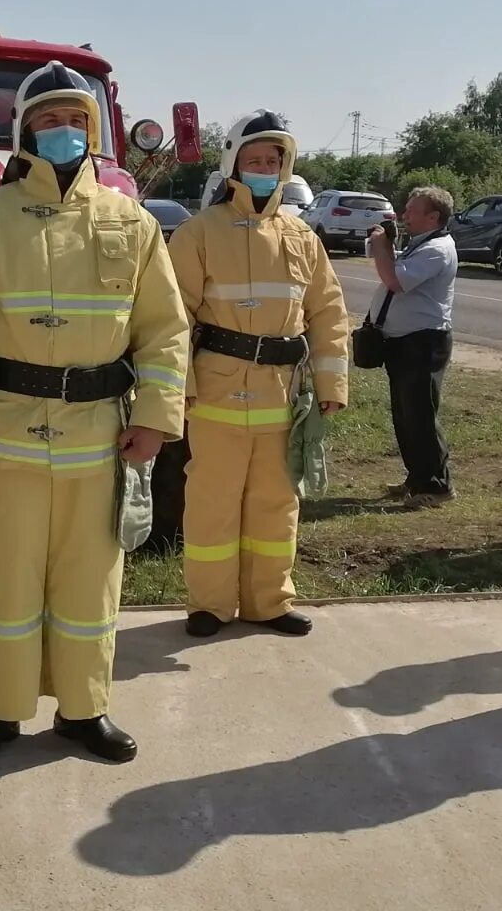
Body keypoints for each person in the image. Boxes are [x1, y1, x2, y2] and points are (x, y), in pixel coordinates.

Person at [0, 61, 189, 767]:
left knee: (88, 586)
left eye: (76, 120)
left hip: (99, 436)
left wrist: (157, 416)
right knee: (3, 581)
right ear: (23, 134)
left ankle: (83, 710)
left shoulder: (130, 222)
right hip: (3, 435)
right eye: (49, 120)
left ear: (93, 131)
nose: (64, 131)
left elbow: (164, 327)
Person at [167, 111, 348, 639]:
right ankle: (209, 604)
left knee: (276, 505)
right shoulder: (198, 233)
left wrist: (332, 387)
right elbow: (172, 316)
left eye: (274, 160)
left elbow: (329, 313)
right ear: (233, 165)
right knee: (212, 504)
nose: (265, 168)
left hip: (280, 399)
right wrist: (179, 390)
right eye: (255, 160)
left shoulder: (301, 236)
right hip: (216, 395)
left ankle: (269, 601)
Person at [366, 187, 459, 507]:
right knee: (405, 415)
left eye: (412, 211)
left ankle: (436, 486)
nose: (404, 216)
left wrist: (382, 245)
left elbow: (394, 280)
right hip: (405, 342)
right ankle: (417, 478)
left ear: (433, 217)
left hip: (423, 343)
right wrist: (384, 244)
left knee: (420, 415)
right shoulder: (422, 244)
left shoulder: (438, 249)